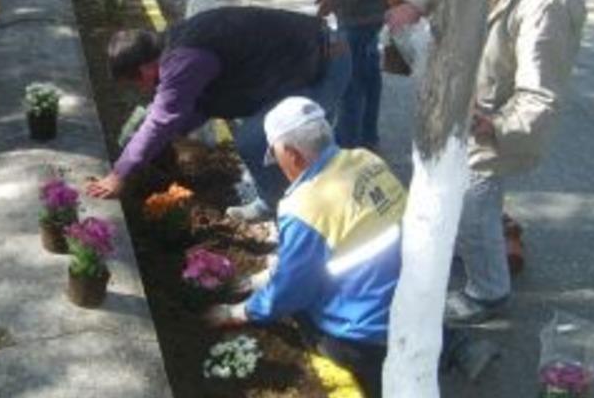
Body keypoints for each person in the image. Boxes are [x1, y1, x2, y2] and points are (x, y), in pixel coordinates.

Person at [205, 97, 499, 396]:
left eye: (277, 156)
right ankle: (454, 344)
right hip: (418, 300)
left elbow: (290, 290)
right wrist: (261, 277)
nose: (279, 166)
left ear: (292, 154)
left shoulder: (304, 206)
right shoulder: (365, 160)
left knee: (302, 314)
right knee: (387, 292)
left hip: (364, 335)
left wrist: (238, 313)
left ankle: (384, 378)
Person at [386, 0, 594, 323]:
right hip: (457, 100)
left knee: (474, 203)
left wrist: (495, 125)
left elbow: (541, 92)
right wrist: (416, 2)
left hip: (486, 121)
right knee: (454, 193)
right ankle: (462, 249)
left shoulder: (547, 1)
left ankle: (488, 292)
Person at [85, 6, 351, 223]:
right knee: (265, 141)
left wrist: (119, 174)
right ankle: (274, 204)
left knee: (256, 140)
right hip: (298, 65)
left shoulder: (183, 60)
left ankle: (302, 222)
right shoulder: (174, 45)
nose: (141, 89)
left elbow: (162, 118)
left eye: (136, 82)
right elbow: (200, 105)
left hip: (323, 64)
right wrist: (156, 143)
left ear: (144, 69)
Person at [315, 0, 413, 150]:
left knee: (350, 77)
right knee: (364, 72)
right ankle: (364, 140)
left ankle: (348, 147)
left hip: (367, 7)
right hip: (352, 4)